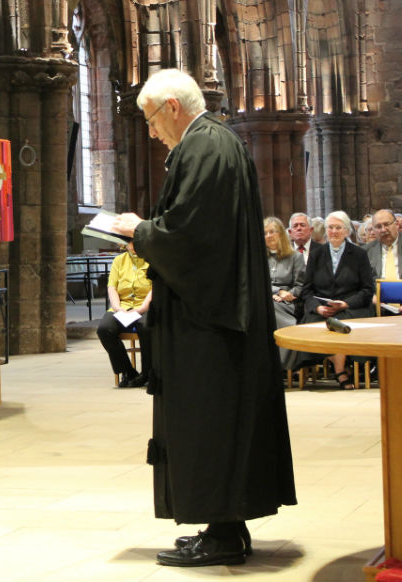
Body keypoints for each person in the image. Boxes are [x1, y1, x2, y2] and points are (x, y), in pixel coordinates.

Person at [112, 68, 296, 568]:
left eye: (151, 119)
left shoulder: (202, 146)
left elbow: (191, 236)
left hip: (209, 324)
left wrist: (140, 230)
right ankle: (224, 527)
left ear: (173, 106)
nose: (151, 132)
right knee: (219, 424)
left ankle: (222, 534)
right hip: (216, 315)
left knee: (211, 423)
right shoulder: (216, 142)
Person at [299, 211, 375, 389]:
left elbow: (367, 290)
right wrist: (318, 308)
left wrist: (345, 304)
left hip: (351, 307)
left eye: (338, 228)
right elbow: (307, 290)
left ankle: (339, 370)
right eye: (330, 228)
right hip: (322, 308)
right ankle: (340, 369)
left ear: (347, 231)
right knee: (318, 323)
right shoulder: (317, 254)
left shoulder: (359, 254)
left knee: (340, 323)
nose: (333, 231)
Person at [97, 241, 152, 388]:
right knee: (104, 329)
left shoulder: (152, 258)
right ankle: (128, 372)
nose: (132, 245)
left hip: (146, 305)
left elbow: (155, 288)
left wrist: (141, 309)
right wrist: (117, 307)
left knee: (146, 327)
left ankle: (148, 373)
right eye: (128, 242)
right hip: (123, 306)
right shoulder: (119, 260)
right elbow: (112, 287)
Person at [264, 217, 304, 369]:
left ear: (281, 234)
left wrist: (286, 294)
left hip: (289, 303)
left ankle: (280, 364)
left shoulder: (295, 257)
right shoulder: (260, 258)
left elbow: (300, 286)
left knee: (272, 309)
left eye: (272, 232)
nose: (268, 236)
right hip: (267, 299)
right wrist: (275, 292)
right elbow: (259, 282)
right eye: (265, 233)